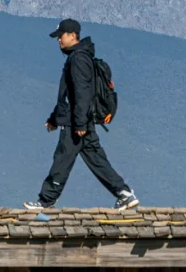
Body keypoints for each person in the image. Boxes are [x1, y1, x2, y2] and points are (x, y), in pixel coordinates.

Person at [24, 19, 139, 211]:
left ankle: (46, 201)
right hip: (79, 120)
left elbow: (81, 94)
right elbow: (69, 94)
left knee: (62, 158)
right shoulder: (81, 57)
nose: (58, 40)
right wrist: (54, 119)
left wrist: (79, 124)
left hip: (76, 122)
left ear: (72, 35)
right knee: (96, 159)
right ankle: (123, 193)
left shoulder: (78, 59)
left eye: (61, 36)